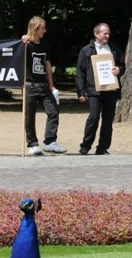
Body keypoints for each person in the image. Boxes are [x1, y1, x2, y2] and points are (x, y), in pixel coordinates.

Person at [75, 23, 126, 155]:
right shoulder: (86, 50)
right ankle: (85, 146)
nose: (107, 36)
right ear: (96, 34)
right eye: (104, 33)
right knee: (93, 117)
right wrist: (81, 91)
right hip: (94, 91)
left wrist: (119, 69)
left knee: (108, 120)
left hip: (111, 90)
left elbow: (122, 66)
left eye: (108, 33)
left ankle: (102, 148)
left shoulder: (114, 49)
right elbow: (80, 73)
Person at [21, 16, 66, 156]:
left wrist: (51, 85)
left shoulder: (45, 44)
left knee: (53, 111)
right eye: (42, 28)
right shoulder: (26, 45)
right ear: (35, 29)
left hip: (43, 85)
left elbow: (47, 64)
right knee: (29, 116)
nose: (45, 31)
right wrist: (23, 40)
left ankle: (50, 142)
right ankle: (32, 144)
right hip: (29, 85)